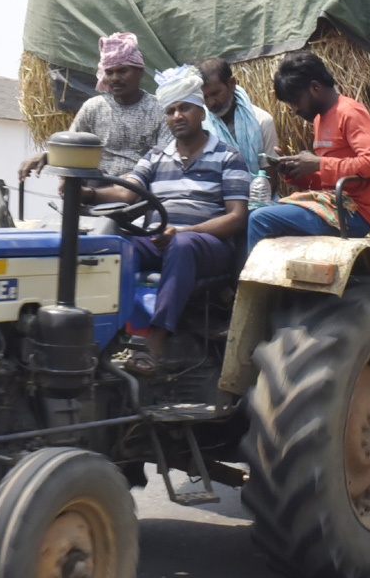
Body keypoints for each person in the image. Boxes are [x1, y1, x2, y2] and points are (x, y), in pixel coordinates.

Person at [91, 64, 249, 376]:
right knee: (116, 250)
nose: (177, 116)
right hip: (162, 239)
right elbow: (127, 193)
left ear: (201, 112)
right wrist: (88, 194)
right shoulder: (154, 157)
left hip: (208, 246)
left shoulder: (228, 156)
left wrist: (184, 229)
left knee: (182, 244)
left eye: (185, 108)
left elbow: (236, 217)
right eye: (171, 110)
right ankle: (105, 339)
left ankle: (153, 344)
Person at [246, 50, 370, 254]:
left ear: (315, 87)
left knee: (260, 219)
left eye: (295, 101)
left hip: (353, 212)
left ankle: (252, 284)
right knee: (256, 212)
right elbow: (327, 180)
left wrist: (318, 163)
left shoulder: (350, 112)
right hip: (331, 203)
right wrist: (294, 171)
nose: (293, 110)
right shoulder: (320, 119)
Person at [18, 32, 171, 203]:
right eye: (109, 72)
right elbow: (72, 147)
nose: (115, 78)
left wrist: (137, 175)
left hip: (140, 188)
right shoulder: (94, 107)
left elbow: (164, 159)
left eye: (122, 71)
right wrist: (47, 156)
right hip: (96, 183)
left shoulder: (159, 109)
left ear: (140, 71)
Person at [196, 57, 279, 173]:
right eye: (205, 97)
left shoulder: (262, 121)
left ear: (232, 84)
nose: (211, 103)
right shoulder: (199, 126)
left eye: (215, 93)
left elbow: (270, 175)